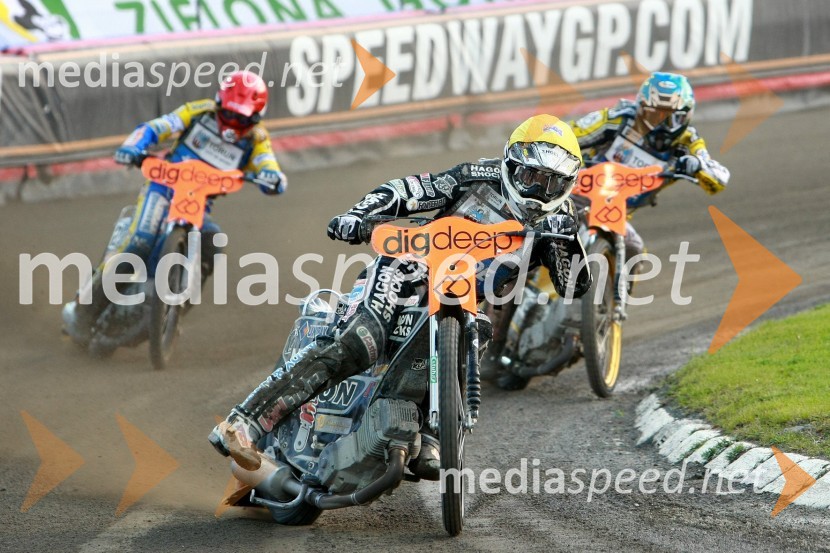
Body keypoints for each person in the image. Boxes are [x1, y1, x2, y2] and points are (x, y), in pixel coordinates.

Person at [208, 114, 593, 476]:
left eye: (553, 183)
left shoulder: (559, 221)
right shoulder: (475, 177)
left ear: (569, 184)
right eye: (531, 176)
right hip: (406, 270)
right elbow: (407, 190)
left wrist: (566, 239)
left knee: (479, 334)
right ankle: (246, 422)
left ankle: (430, 437)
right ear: (511, 164)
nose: (540, 191)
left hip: (465, 306)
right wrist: (359, 215)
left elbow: (574, 286)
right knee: (360, 339)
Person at [62, 70, 286, 345]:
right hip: (162, 189)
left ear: (255, 117)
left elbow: (268, 165)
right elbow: (157, 127)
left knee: (212, 244)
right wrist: (134, 146)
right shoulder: (198, 112)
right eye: (227, 113)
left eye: (241, 118)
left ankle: (172, 313)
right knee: (139, 243)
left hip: (197, 204)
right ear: (218, 102)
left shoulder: (257, 139)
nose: (232, 122)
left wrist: (272, 178)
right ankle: (83, 312)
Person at [568, 71, 730, 262]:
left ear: (686, 116)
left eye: (671, 119)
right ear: (641, 109)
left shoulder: (688, 143)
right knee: (551, 223)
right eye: (655, 116)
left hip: (615, 213)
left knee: (634, 251)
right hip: (575, 194)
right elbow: (568, 135)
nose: (662, 126)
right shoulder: (617, 119)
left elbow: (719, 177)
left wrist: (698, 165)